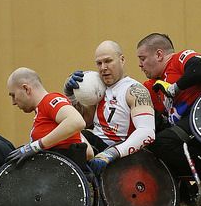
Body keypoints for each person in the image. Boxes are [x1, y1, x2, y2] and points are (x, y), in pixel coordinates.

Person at [0, 67, 93, 192]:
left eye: (13, 95)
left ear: (26, 89)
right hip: (43, 168)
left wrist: (36, 146)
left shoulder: (50, 100)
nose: (13, 102)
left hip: (46, 175)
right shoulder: (44, 112)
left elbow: (77, 121)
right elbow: (89, 152)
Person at [136, 33, 201, 178]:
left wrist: (174, 88)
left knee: (164, 142)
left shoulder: (178, 59)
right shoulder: (153, 85)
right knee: (150, 143)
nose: (139, 64)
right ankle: (185, 192)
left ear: (159, 55)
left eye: (142, 58)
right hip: (189, 128)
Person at [64, 40, 155, 176]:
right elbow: (84, 122)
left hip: (119, 153)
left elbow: (147, 132)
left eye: (108, 61)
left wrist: (110, 154)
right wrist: (70, 96)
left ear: (122, 60)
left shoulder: (134, 90)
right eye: (99, 63)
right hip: (93, 145)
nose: (103, 67)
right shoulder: (96, 87)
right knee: (60, 129)